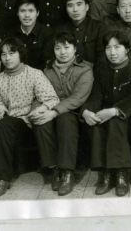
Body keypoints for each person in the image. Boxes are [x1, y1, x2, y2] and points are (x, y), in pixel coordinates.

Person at [0, 37, 60, 198]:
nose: (7, 58)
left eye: (12, 53)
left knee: (5, 124)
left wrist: (42, 108)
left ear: (20, 54)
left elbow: (52, 98)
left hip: (29, 125)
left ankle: (3, 177)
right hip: (8, 124)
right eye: (3, 54)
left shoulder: (34, 74)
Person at [81, 31, 131, 197]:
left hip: (130, 119)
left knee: (115, 121)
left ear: (127, 49)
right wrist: (86, 111)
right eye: (108, 48)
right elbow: (96, 96)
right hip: (106, 115)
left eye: (117, 47)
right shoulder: (101, 70)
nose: (112, 52)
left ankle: (121, 173)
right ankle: (105, 173)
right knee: (97, 122)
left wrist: (115, 111)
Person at [38, 32, 94, 196]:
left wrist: (54, 111)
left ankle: (67, 171)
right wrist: (41, 109)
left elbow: (78, 97)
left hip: (75, 111)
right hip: (51, 108)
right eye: (58, 48)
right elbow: (40, 93)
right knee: (41, 121)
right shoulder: (47, 70)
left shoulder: (84, 69)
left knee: (66, 119)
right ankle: (55, 169)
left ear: (75, 49)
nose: (62, 52)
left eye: (67, 47)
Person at [56, 0, 108, 66]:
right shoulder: (60, 29)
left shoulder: (99, 27)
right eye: (70, 5)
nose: (75, 9)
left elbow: (102, 58)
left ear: (87, 7)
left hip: (93, 71)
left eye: (79, 4)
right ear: (66, 9)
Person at [12, 0, 55, 71]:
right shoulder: (11, 33)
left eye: (31, 11)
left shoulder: (48, 33)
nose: (27, 15)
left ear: (37, 13)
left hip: (40, 76)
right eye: (22, 11)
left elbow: (47, 64)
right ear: (17, 13)